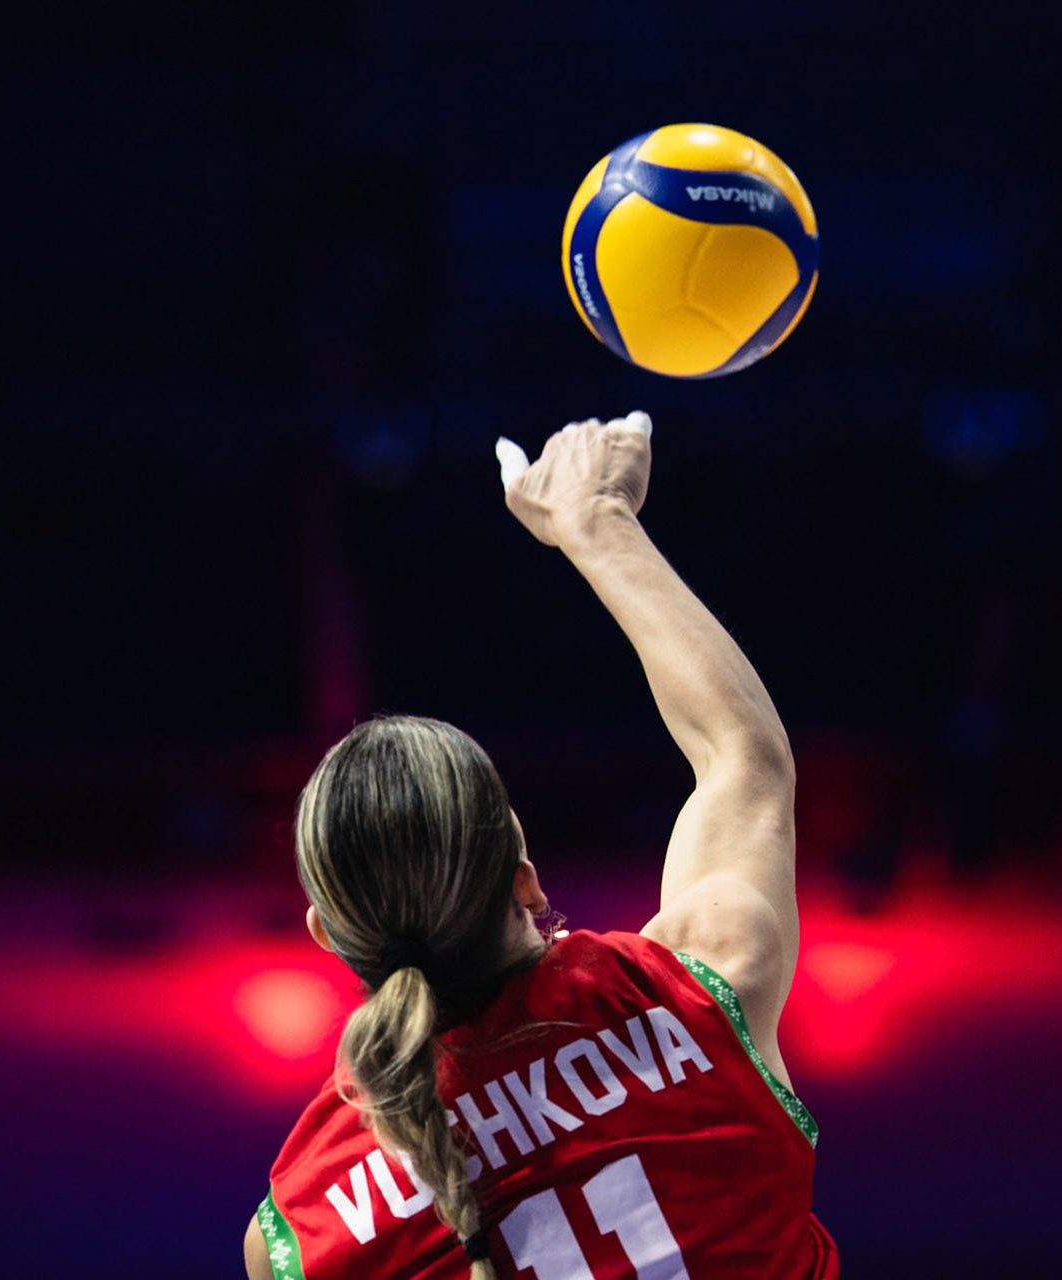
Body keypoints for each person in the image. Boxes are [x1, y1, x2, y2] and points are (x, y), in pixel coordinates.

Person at [245, 412, 836, 1279]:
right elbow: (744, 758)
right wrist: (597, 522)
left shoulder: (297, 1239)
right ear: (522, 875)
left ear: (330, 937)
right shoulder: (706, 985)